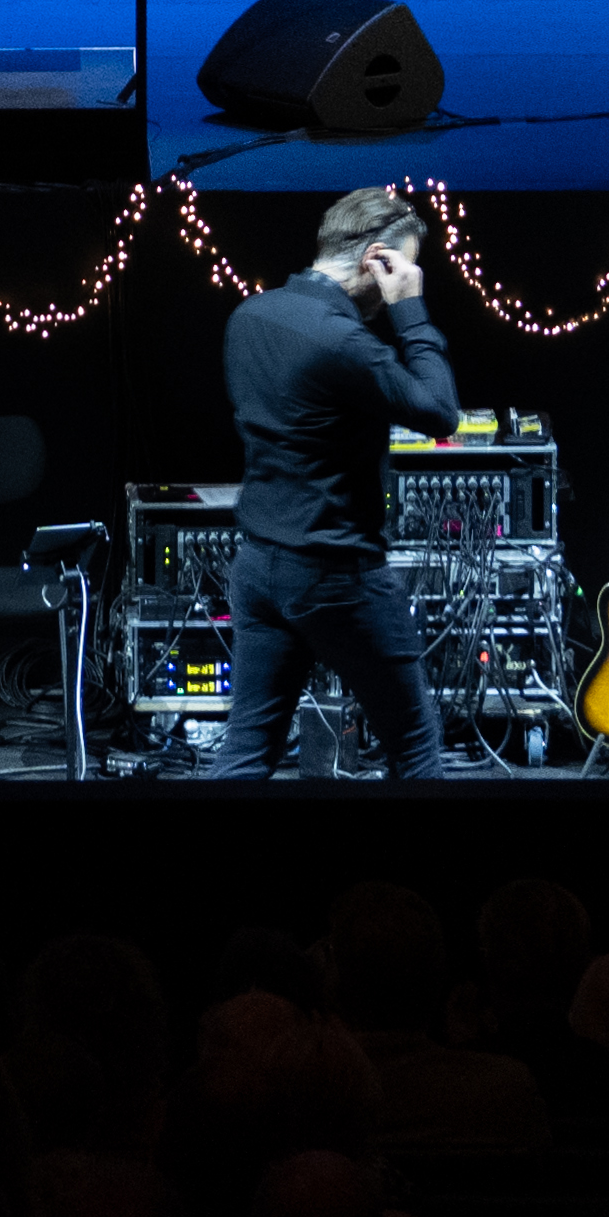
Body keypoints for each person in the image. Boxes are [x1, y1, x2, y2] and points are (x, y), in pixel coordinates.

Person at [202, 187, 460, 780]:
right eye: (404, 265)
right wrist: (410, 308)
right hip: (336, 573)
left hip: (258, 566)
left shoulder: (250, 315)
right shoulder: (343, 341)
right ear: (377, 260)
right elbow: (440, 412)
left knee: (246, 751)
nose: (406, 277)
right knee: (415, 746)